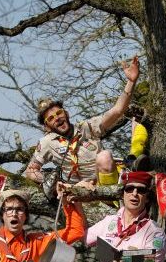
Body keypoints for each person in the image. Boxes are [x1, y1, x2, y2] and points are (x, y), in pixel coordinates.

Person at [25, 56, 149, 197]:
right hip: (75, 191)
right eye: (51, 118)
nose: (57, 118)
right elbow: (30, 171)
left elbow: (117, 110)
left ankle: (113, 193)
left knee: (105, 156)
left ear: (66, 113)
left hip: (102, 183)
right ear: (47, 126)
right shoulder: (47, 143)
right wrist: (50, 180)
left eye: (59, 113)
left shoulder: (87, 127)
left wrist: (131, 81)